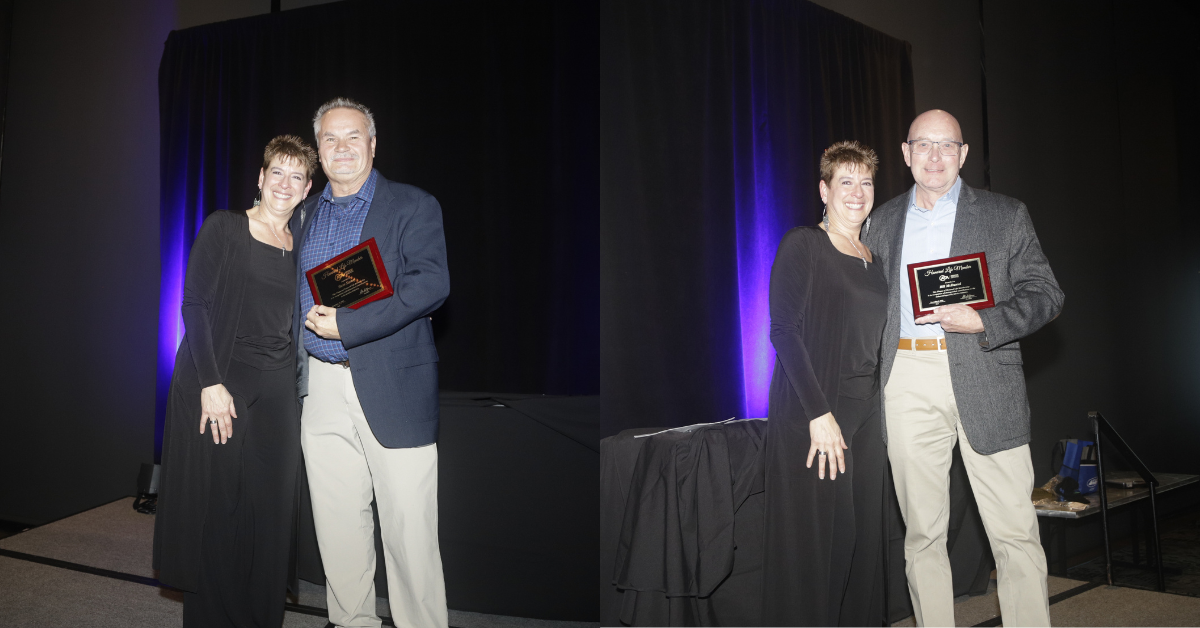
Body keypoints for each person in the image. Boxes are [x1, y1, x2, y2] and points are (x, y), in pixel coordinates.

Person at [863, 109, 1063, 627]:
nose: (935, 156)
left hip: (985, 370)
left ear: (964, 154)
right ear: (906, 153)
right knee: (922, 534)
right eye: (923, 145)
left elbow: (1047, 294)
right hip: (907, 377)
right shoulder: (880, 221)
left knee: (1015, 531)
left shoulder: (1005, 214)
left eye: (947, 145)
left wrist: (984, 320)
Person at [292, 98, 449, 628]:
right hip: (320, 388)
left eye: (352, 136)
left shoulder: (413, 205)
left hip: (393, 385)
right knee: (337, 521)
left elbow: (430, 285)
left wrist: (350, 325)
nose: (341, 147)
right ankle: (351, 622)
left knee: (409, 530)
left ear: (373, 145)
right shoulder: (304, 213)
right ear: (318, 151)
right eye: (330, 139)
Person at [153, 135, 318, 627]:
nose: (284, 184)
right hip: (225, 381)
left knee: (271, 511)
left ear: (307, 189)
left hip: (278, 390)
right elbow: (194, 305)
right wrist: (211, 383)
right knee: (219, 507)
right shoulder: (225, 227)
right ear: (260, 178)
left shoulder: (303, 244)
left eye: (296, 176)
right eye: (277, 172)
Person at [761, 141, 888, 626]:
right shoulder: (804, 245)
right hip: (819, 414)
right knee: (823, 546)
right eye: (845, 181)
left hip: (867, 414)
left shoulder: (873, 259)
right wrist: (818, 413)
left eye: (866, 182)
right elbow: (783, 331)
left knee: (862, 542)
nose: (857, 192)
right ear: (824, 190)